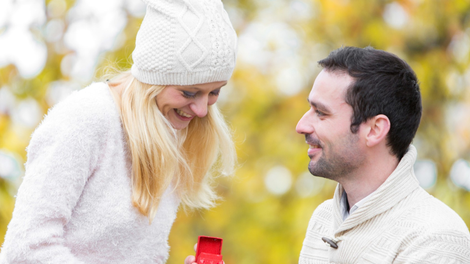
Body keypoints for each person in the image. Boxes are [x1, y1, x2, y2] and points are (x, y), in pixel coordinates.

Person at [0, 0, 237, 263]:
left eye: (214, 92)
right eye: (189, 92)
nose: (202, 110)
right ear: (153, 78)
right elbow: (25, 248)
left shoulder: (170, 128)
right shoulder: (85, 119)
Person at [296, 46, 470, 263]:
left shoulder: (435, 237)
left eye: (321, 112)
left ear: (375, 130)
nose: (301, 126)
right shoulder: (323, 219)